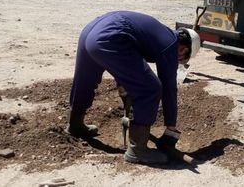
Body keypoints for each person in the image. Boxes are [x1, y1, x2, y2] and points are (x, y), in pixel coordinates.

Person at [65, 10, 200, 164]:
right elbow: (168, 88)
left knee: (86, 78)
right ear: (183, 49)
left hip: (91, 32)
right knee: (151, 88)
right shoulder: (170, 44)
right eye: (183, 58)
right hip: (109, 37)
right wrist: (171, 127)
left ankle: (75, 124)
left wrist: (124, 86)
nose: (179, 60)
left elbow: (125, 62)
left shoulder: (157, 34)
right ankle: (138, 150)